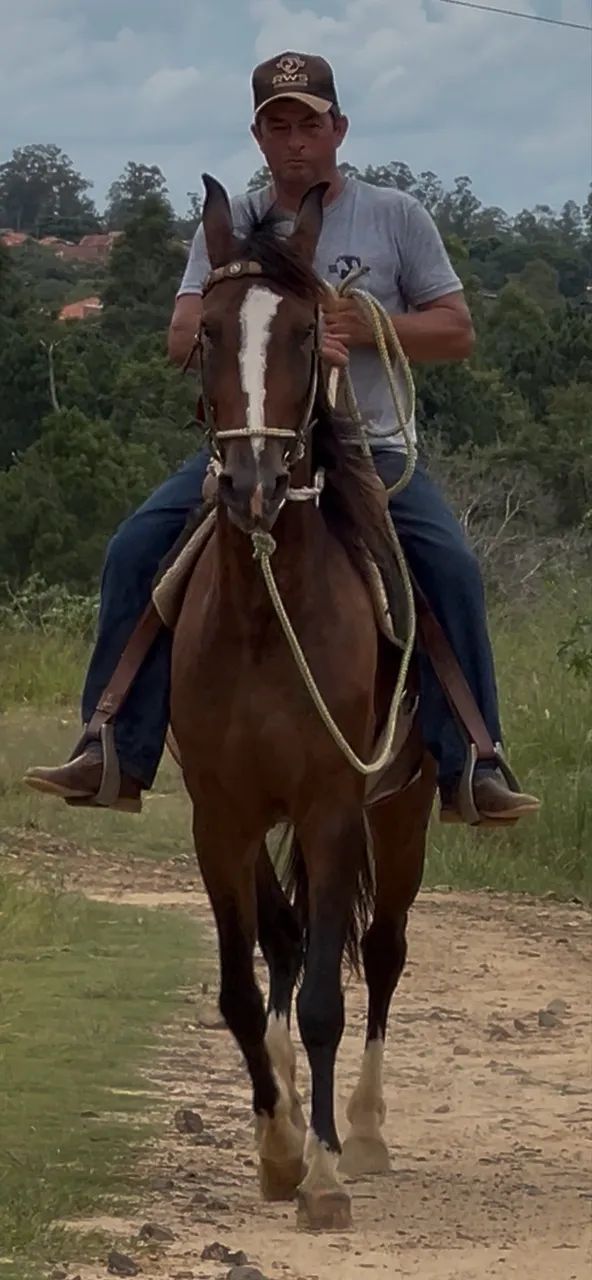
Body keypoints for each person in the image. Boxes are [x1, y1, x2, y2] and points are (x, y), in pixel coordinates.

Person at [24, 51, 539, 825]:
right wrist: (245, 328)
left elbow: (456, 331)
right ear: (259, 137)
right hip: (249, 441)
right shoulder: (230, 226)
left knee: (451, 568)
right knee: (133, 549)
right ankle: (113, 749)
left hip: (372, 448)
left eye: (310, 123)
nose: (296, 139)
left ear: (339, 128)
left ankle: (472, 761)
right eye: (279, 126)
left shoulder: (396, 215)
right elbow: (180, 336)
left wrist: (366, 325)